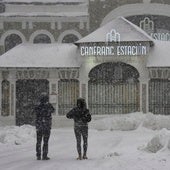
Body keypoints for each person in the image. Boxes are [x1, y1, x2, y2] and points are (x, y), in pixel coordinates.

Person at [34, 94, 55, 160]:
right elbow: (53, 110)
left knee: (38, 141)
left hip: (39, 125)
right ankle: (44, 155)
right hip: (47, 126)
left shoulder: (38, 105)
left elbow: (34, 111)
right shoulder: (48, 105)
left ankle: (38, 155)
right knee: (45, 141)